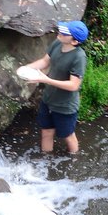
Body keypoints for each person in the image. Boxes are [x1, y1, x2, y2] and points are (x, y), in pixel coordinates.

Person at [22, 21, 88, 154]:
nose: (60, 32)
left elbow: (74, 85)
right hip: (48, 99)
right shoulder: (58, 43)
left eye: (65, 32)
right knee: (46, 131)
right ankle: (45, 162)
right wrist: (26, 68)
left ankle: (73, 160)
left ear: (74, 41)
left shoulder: (79, 57)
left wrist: (47, 80)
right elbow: (45, 61)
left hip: (65, 106)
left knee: (67, 135)